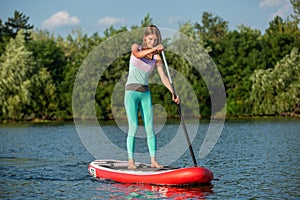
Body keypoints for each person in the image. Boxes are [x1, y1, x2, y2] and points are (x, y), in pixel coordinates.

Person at [124, 25, 180, 169]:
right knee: (134, 126)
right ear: (145, 39)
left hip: (145, 93)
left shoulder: (156, 57)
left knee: (150, 127)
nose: (153, 42)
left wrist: (173, 92)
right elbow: (138, 55)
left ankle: (153, 161)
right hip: (131, 92)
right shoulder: (136, 47)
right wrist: (155, 49)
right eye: (150, 39)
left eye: (155, 40)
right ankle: (131, 161)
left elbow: (163, 78)